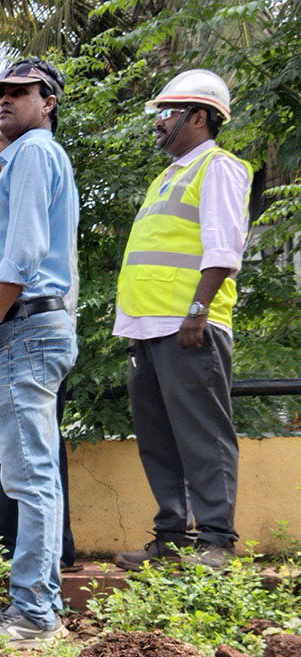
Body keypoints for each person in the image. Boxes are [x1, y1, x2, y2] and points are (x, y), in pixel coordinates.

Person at [0, 59, 79, 649]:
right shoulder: (33, 158)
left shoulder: (33, 152)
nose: (4, 99)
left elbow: (23, 255)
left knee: (30, 477)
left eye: (19, 92)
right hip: (26, 333)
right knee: (33, 473)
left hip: (22, 332)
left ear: (48, 100)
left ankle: (32, 615)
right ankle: (40, 605)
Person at [113, 70, 252, 571]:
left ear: (199, 117)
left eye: (166, 113)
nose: (158, 123)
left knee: (203, 435)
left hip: (188, 326)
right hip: (147, 330)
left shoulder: (217, 167)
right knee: (159, 440)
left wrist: (197, 311)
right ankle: (171, 538)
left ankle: (215, 540)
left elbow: (223, 248)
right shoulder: (166, 176)